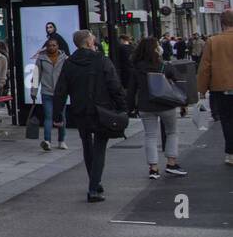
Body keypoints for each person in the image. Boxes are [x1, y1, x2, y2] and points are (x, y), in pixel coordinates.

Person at [52, 29, 127, 203]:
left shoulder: (70, 63)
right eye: (92, 38)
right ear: (88, 42)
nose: (94, 40)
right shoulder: (101, 60)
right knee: (100, 146)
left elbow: (61, 90)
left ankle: (94, 181)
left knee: (87, 144)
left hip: (80, 110)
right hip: (101, 110)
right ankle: (94, 187)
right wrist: (123, 108)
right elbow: (114, 86)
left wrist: (57, 114)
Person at [127, 37, 187, 180]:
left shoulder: (136, 68)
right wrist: (183, 104)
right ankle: (171, 163)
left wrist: (129, 108)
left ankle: (153, 168)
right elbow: (179, 83)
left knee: (150, 135)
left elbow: (131, 90)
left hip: (145, 105)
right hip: (166, 104)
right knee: (172, 132)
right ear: (156, 50)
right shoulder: (165, 66)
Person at [196, 9, 233, 166]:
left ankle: (230, 153)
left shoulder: (213, 41)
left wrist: (202, 89)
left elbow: (205, 67)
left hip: (221, 87)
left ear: (221, 22)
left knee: (227, 121)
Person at [32, 38, 68, 151]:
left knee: (61, 117)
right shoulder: (41, 58)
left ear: (58, 46)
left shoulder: (64, 58)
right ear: (46, 47)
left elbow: (68, 75)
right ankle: (47, 141)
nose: (51, 47)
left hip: (60, 93)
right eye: (49, 45)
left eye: (54, 45)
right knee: (48, 117)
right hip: (46, 91)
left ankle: (61, 140)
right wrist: (34, 91)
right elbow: (36, 75)